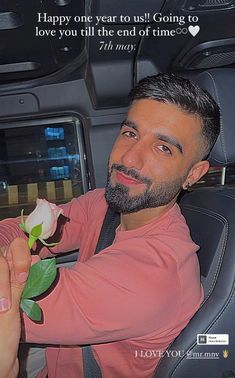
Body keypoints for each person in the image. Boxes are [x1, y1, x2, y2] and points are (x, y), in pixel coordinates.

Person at [0, 73, 220, 378]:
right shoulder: (104, 204)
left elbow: (10, 310)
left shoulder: (154, 275)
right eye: (131, 133)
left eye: (163, 148)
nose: (130, 159)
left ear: (193, 174)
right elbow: (21, 229)